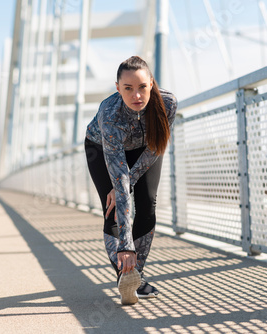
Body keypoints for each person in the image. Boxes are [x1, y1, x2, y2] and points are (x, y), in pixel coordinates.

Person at [85, 55, 177, 305]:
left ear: (151, 84)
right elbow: (121, 178)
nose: (136, 95)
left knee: (147, 202)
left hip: (146, 149)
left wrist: (128, 182)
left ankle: (136, 274)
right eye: (128, 88)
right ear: (118, 88)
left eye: (142, 87)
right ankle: (124, 272)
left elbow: (155, 148)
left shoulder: (167, 104)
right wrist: (126, 245)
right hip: (101, 147)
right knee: (113, 207)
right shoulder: (110, 113)